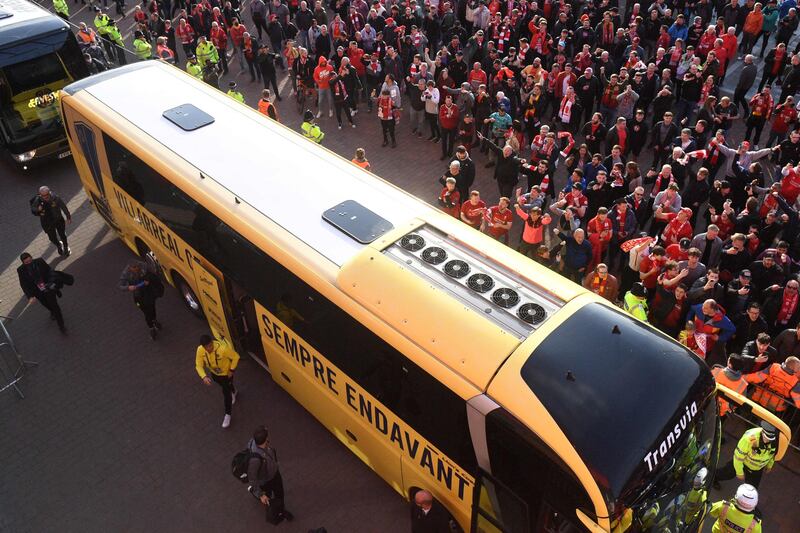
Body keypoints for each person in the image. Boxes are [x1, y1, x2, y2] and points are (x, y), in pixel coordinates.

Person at [246, 426, 294, 522]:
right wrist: (260, 494)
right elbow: (252, 477)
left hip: (274, 475)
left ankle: (281, 509)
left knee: (279, 494)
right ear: (265, 440)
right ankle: (255, 492)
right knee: (267, 498)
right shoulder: (255, 460)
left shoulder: (258, 442)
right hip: (265, 481)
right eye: (267, 437)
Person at [714, 421, 778, 489]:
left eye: (770, 439)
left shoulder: (776, 441)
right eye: (766, 437)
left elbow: (773, 455)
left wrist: (769, 466)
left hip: (756, 469)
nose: (767, 441)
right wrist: (739, 472)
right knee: (727, 473)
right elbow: (738, 457)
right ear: (762, 431)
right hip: (744, 462)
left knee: (752, 489)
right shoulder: (749, 438)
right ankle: (712, 478)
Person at [195, 334, 239, 428]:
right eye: (207, 347)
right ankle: (234, 391)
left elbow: (236, 357)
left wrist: (231, 370)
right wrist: (204, 377)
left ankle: (228, 415)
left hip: (226, 375)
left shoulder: (223, 349)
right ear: (203, 347)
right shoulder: (200, 350)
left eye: (211, 345)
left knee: (226, 393)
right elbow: (198, 365)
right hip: (215, 375)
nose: (210, 348)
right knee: (225, 386)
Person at [16, 253, 67, 334]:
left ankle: (61, 326)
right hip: (37, 292)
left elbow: (49, 271)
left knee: (55, 306)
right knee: (46, 304)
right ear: (23, 263)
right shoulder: (20, 270)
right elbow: (23, 284)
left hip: (48, 288)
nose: (29, 263)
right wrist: (30, 296)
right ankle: (52, 311)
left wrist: (50, 283)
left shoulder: (40, 261)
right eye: (26, 262)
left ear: (32, 258)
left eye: (30, 260)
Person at [117, 261, 164, 339]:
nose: (137, 269)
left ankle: (154, 320)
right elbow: (120, 286)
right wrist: (128, 287)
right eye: (134, 268)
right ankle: (151, 327)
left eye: (137, 267)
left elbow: (153, 272)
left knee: (152, 307)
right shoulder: (126, 273)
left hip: (148, 293)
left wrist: (148, 280)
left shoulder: (143, 266)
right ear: (130, 268)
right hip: (139, 296)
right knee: (146, 312)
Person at [30, 186, 71, 256]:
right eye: (43, 195)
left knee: (63, 235)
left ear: (49, 192)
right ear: (40, 194)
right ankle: (58, 245)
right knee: (52, 238)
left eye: (46, 195)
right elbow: (33, 209)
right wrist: (38, 210)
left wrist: (68, 217)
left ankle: (66, 247)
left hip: (58, 220)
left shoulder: (55, 198)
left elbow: (63, 207)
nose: (45, 197)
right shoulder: (37, 200)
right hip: (47, 223)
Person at [712, 354, 749, 423]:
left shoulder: (717, 371)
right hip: (722, 413)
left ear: (730, 365)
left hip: (707, 404)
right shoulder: (743, 385)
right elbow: (739, 402)